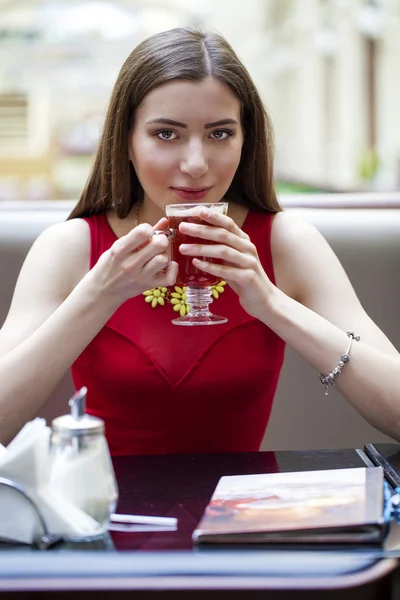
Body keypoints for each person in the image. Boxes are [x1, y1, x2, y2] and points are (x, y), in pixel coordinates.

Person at [0, 27, 399, 456]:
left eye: (220, 134)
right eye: (166, 134)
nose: (195, 164)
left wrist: (271, 303)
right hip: (102, 516)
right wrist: (98, 295)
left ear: (246, 141)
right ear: (127, 142)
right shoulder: (71, 247)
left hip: (243, 516)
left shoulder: (286, 242)